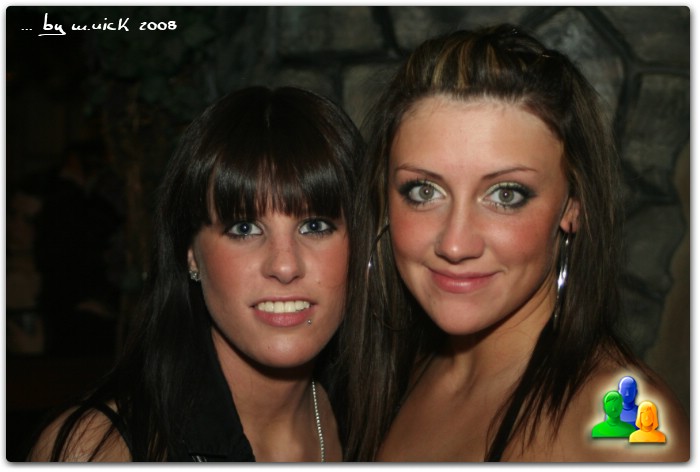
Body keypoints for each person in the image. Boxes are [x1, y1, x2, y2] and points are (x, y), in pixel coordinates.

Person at [337, 24, 689, 462]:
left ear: (572, 205)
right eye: (424, 191)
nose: (455, 244)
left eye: (506, 195)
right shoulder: (403, 370)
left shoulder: (624, 431)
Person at [27, 85, 363, 461]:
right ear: (190, 254)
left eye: (315, 226)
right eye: (244, 228)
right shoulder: (101, 450)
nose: (285, 266)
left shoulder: (381, 425)